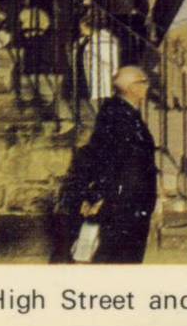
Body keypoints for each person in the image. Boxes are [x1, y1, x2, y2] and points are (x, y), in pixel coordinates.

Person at [57, 66, 156, 263]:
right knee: (119, 258)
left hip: (132, 197)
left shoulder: (125, 113)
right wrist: (99, 194)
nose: (148, 85)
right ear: (131, 87)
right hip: (123, 200)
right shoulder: (117, 116)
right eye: (143, 81)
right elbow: (108, 156)